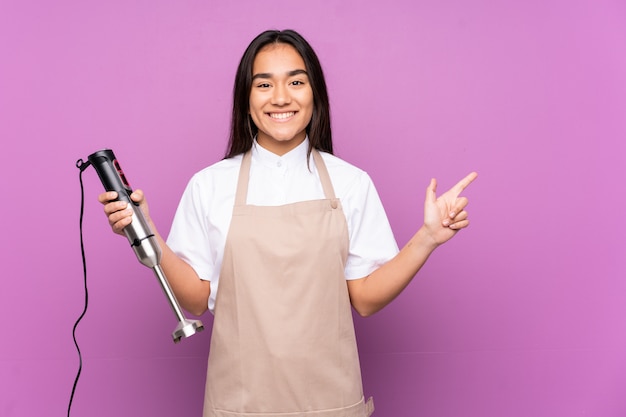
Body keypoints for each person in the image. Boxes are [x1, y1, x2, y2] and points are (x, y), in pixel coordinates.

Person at [99, 29, 477, 417]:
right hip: (238, 406)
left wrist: (428, 238)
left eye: (296, 82)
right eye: (264, 84)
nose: (281, 97)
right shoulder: (209, 185)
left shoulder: (351, 182)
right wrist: (145, 231)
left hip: (331, 404)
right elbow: (195, 298)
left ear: (316, 95)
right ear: (246, 100)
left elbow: (364, 297)